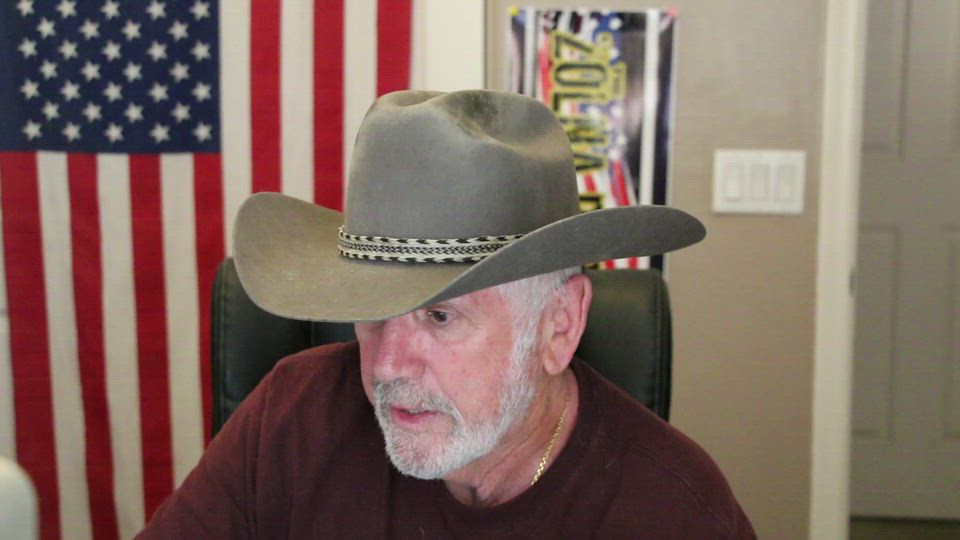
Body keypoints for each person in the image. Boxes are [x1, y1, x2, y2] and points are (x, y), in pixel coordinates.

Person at [137, 90, 756, 538]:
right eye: (372, 312)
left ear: (559, 324)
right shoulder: (289, 420)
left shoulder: (672, 512)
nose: (385, 366)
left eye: (439, 317)